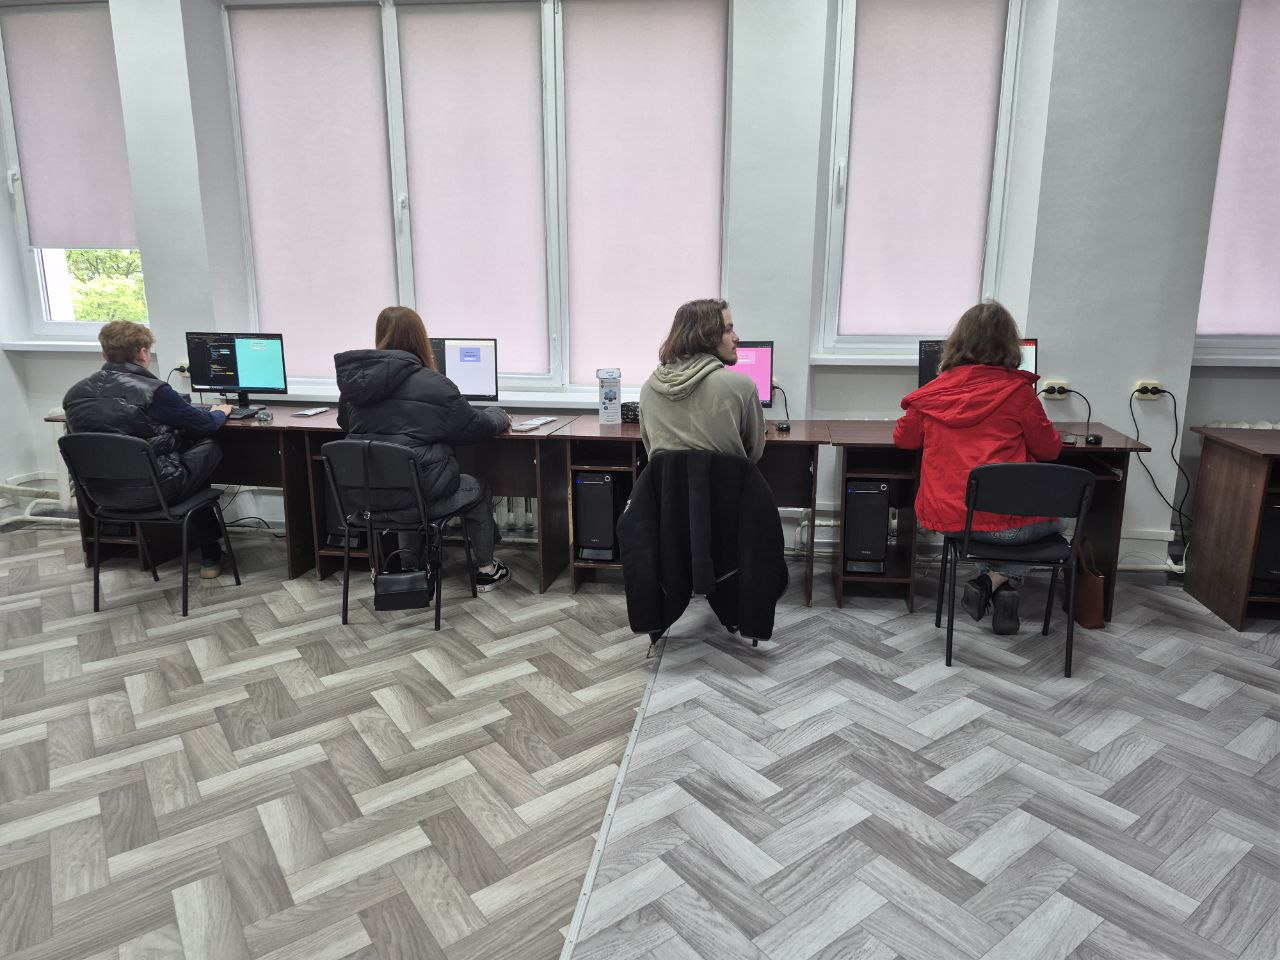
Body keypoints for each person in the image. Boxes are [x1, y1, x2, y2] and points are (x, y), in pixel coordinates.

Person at [894, 301, 1062, 635]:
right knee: (1059, 517)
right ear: (1009, 346)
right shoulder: (1020, 394)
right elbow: (1050, 450)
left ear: (956, 344)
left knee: (989, 518)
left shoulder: (929, 396)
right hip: (1010, 525)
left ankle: (996, 586)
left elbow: (904, 440)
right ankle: (996, 579)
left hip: (952, 521)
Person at [335, 306, 512, 591]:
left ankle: (412, 568)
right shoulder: (433, 385)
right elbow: (473, 426)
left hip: (368, 501)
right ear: (421, 338)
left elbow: (345, 423)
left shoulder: (354, 386)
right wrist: (499, 415)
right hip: (416, 501)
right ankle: (486, 570)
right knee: (475, 488)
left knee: (407, 483)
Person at [63, 320, 233, 578]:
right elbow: (206, 424)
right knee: (208, 446)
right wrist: (220, 412)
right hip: (157, 491)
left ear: (104, 353)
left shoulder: (74, 395)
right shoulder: (154, 392)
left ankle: (204, 553)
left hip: (100, 495)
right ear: (143, 352)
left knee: (181, 455)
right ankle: (210, 553)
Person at [639, 298, 766, 462]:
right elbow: (754, 453)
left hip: (667, 480)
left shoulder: (648, 389)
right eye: (728, 330)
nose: (736, 337)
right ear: (706, 336)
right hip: (727, 479)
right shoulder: (742, 387)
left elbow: (654, 457)